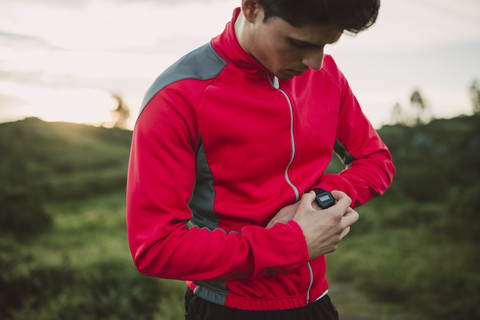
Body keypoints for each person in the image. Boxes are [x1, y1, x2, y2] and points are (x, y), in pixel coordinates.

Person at [126, 0, 395, 319]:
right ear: (252, 8)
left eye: (324, 45)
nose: (315, 63)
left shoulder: (326, 76)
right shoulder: (179, 96)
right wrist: (292, 243)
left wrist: (318, 201)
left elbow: (376, 159)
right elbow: (155, 247)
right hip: (227, 309)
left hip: (316, 301)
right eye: (298, 43)